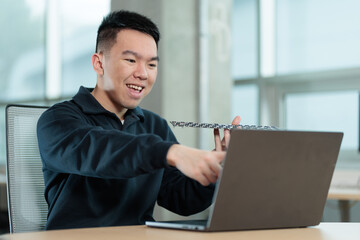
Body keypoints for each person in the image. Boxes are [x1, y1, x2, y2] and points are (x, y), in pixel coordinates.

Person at [37, 10, 241, 230]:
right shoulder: (57, 120)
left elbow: (181, 198)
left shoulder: (155, 126)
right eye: (131, 60)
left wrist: (214, 171)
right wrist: (170, 152)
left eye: (152, 65)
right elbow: (100, 149)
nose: (143, 74)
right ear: (99, 63)